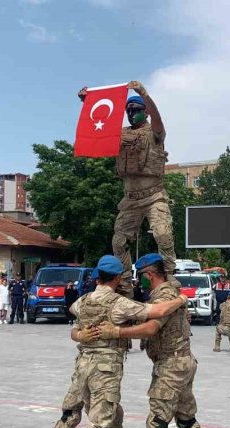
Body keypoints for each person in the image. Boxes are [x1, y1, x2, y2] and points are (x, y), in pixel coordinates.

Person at [56, 255, 187, 428]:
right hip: (105, 372)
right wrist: (181, 298)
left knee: (110, 417)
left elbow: (75, 328)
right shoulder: (119, 304)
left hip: (82, 368)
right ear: (117, 278)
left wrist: (80, 335)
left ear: (96, 277)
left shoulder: (82, 302)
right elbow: (157, 312)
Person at [79, 81, 178, 295]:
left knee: (163, 234)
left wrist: (144, 93)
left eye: (137, 110)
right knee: (118, 241)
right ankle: (124, 281)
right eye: (129, 111)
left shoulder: (155, 133)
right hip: (130, 199)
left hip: (154, 196)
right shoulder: (119, 134)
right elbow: (98, 125)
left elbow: (158, 118)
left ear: (146, 112)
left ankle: (170, 274)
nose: (132, 114)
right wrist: (88, 102)